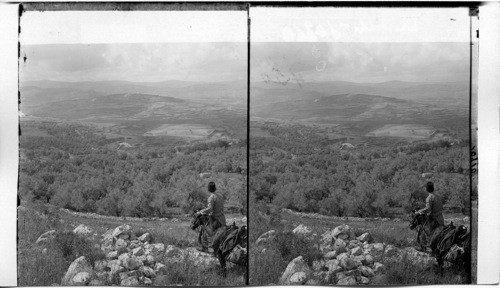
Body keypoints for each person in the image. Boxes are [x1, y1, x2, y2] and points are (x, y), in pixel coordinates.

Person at [196, 182, 226, 251]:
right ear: (215, 188)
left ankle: (205, 247)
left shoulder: (211, 198)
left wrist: (200, 212)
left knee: (203, 227)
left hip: (215, 219)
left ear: (208, 189)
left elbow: (210, 209)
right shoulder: (220, 196)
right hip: (222, 218)